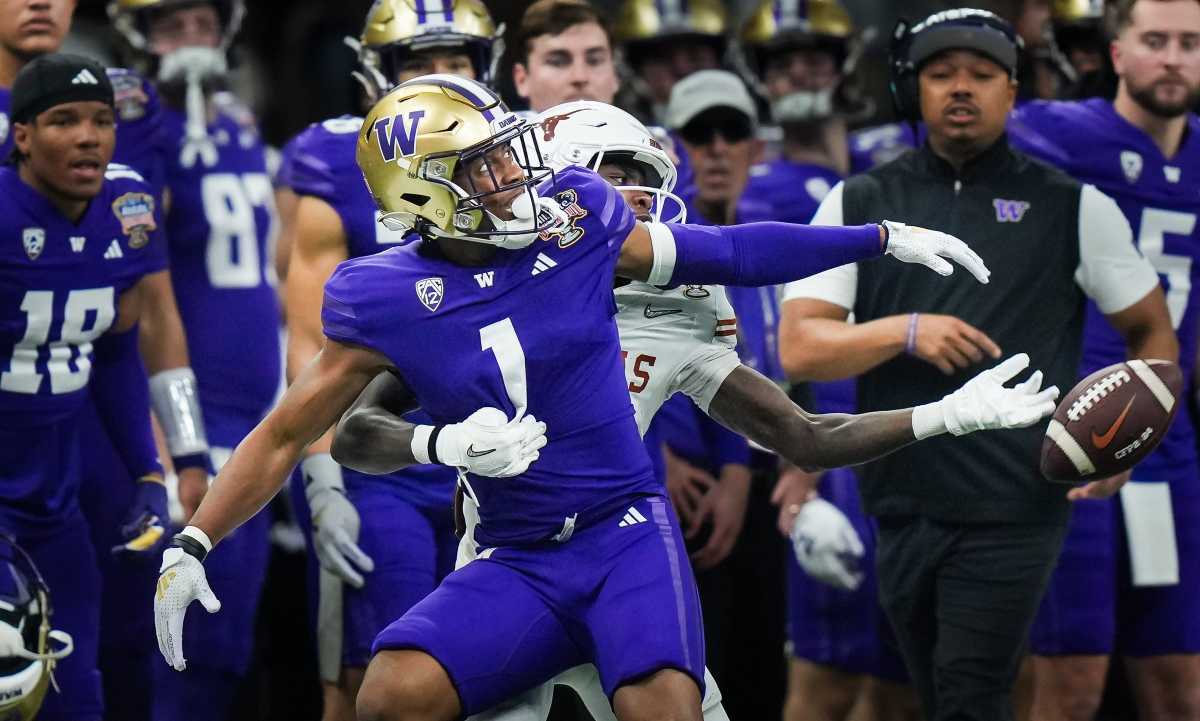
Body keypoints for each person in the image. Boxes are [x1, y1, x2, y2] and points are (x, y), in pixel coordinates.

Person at [151, 72, 993, 721]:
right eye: (483, 168)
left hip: (621, 531)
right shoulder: (386, 298)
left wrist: (876, 238)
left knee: (661, 702)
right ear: (423, 196)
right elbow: (286, 431)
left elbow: (726, 251)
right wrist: (194, 541)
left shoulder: (581, 218)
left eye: (505, 153)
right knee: (389, 694)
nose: (514, 177)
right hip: (513, 552)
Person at [777, 9, 1178, 721]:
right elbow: (801, 344)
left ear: (1013, 89)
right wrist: (904, 331)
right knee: (933, 692)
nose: (961, 88)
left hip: (1017, 501)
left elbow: (1153, 332)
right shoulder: (861, 200)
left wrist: (1129, 442)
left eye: (982, 75)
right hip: (898, 498)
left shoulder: (1074, 205)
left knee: (969, 689)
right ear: (912, 89)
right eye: (941, 74)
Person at [275, 3, 499, 719]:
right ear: (378, 73)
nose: (440, 79)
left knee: (495, 680)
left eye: (458, 60)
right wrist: (319, 477)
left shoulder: (519, 158)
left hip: (497, 458)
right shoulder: (334, 161)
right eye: (417, 63)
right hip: (380, 463)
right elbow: (310, 341)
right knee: (369, 678)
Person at [1008, 1, 1200, 718]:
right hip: (1073, 437)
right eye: (1155, 41)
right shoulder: (1057, 133)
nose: (1174, 57)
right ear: (1116, 54)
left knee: (1179, 683)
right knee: (1068, 681)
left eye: (1190, 43)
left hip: (1169, 448)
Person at [738, 3, 917, 720]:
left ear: (846, 62)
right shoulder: (756, 189)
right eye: (782, 61)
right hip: (828, 442)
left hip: (912, 428)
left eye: (814, 56)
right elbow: (762, 337)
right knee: (826, 678)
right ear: (760, 77)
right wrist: (794, 458)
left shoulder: (895, 156)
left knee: (904, 680)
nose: (800, 72)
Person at [107, 2, 283, 719]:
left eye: (200, 18)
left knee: (228, 641)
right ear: (138, 33)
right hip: (190, 420)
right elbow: (137, 290)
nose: (189, 36)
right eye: (170, 21)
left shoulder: (239, 123)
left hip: (259, 419)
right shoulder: (139, 123)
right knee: (176, 644)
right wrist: (158, 436)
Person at [0, 53, 189, 721]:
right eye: (64, 120)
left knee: (77, 698)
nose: (88, 136)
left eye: (102, 120)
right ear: (21, 135)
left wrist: (148, 468)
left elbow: (115, 354)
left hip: (54, 513)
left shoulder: (125, 207)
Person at [612, 0, 727, 124]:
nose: (682, 69)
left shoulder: (747, 131)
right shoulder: (619, 131)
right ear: (635, 69)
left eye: (695, 56)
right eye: (662, 57)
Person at [512, 0, 619, 113]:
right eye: (558, 62)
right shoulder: (495, 131)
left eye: (594, 61)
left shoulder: (637, 130)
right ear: (522, 80)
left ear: (616, 75)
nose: (580, 77)